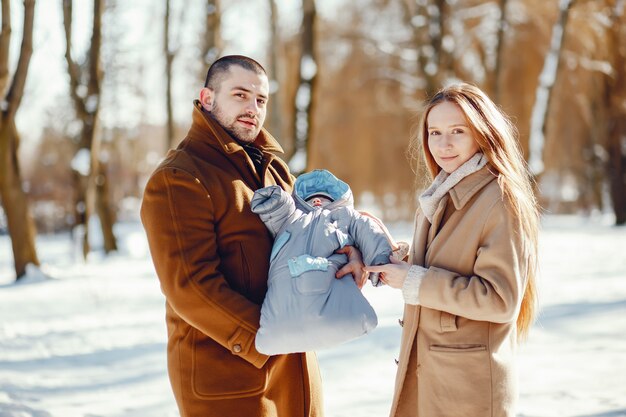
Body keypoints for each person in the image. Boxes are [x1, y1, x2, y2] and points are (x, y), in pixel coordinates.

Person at [140, 55, 363, 417]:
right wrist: (269, 336)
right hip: (228, 378)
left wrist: (347, 254)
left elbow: (308, 237)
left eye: (261, 100)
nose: (253, 108)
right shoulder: (180, 177)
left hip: (295, 369)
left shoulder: (273, 167)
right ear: (207, 98)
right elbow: (191, 287)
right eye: (240, 95)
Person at [365, 82, 540, 417]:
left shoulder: (499, 200)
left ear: (483, 133)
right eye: (434, 132)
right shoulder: (443, 192)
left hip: (466, 388)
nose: (443, 144)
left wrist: (415, 281)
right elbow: (452, 260)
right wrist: (399, 258)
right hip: (433, 376)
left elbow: (500, 300)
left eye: (457, 131)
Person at [250, 169, 400, 355]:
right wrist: (273, 201)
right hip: (286, 284)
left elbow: (368, 232)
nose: (318, 201)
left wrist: (379, 260)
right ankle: (273, 335)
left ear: (339, 202)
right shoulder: (293, 217)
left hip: (330, 275)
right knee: (280, 311)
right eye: (312, 199)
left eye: (325, 199)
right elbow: (277, 213)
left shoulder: (345, 217)